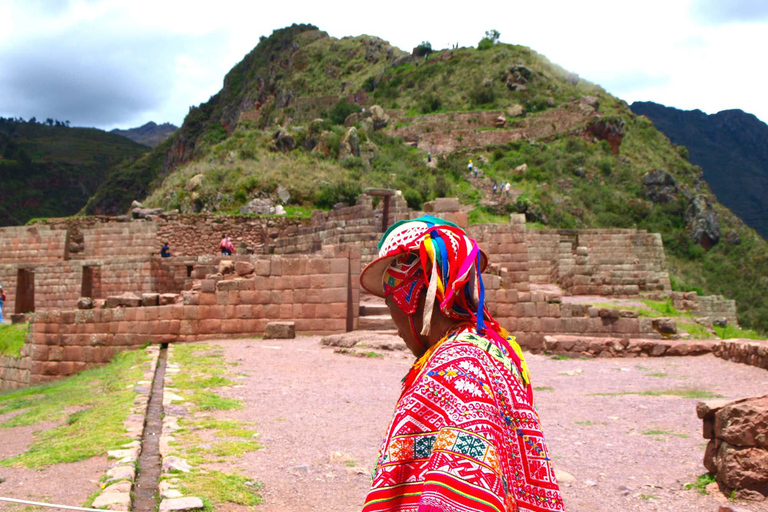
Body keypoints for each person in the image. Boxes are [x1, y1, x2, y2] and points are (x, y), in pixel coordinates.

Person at [360, 217, 564, 512]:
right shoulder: (494, 351)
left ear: (410, 298)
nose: (395, 326)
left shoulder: (452, 371)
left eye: (391, 305)